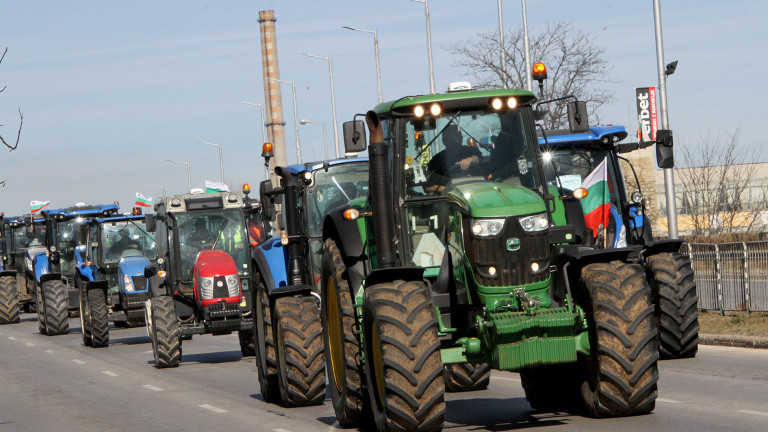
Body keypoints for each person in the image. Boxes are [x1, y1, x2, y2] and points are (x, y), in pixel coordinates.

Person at [423, 126, 482, 193]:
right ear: (444, 141)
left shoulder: (470, 151)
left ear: (461, 138)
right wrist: (444, 189)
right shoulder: (437, 160)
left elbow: (478, 158)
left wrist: (470, 159)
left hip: (476, 192)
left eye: (456, 136)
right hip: (447, 199)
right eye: (450, 138)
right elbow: (427, 187)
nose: (454, 140)